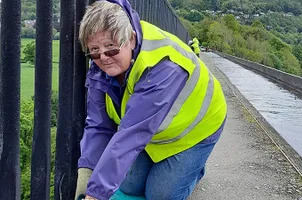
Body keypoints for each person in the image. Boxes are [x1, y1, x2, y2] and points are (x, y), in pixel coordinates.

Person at [75, 0, 227, 200]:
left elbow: (132, 134)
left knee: (160, 194)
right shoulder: (100, 69)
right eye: (94, 50)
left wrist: (95, 195)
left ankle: (194, 168)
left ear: (131, 39)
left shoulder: (163, 65)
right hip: (154, 131)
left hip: (196, 130)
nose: (103, 57)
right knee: (128, 186)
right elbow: (98, 125)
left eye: (111, 48)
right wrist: (86, 178)